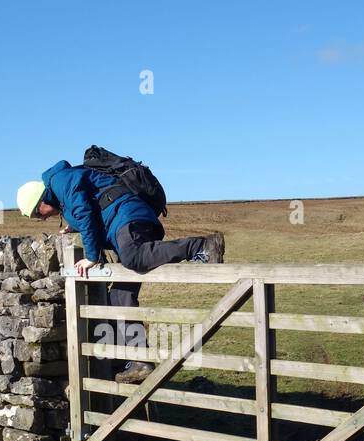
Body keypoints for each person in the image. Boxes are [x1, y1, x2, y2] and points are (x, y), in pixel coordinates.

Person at [17, 160, 224, 383]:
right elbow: (94, 206)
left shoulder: (61, 182)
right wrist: (72, 226)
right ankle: (140, 361)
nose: (44, 219)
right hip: (121, 224)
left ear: (41, 201)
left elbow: (86, 213)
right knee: (119, 296)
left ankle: (200, 247)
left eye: (39, 215)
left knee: (132, 257)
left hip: (129, 218)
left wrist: (91, 257)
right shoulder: (62, 196)